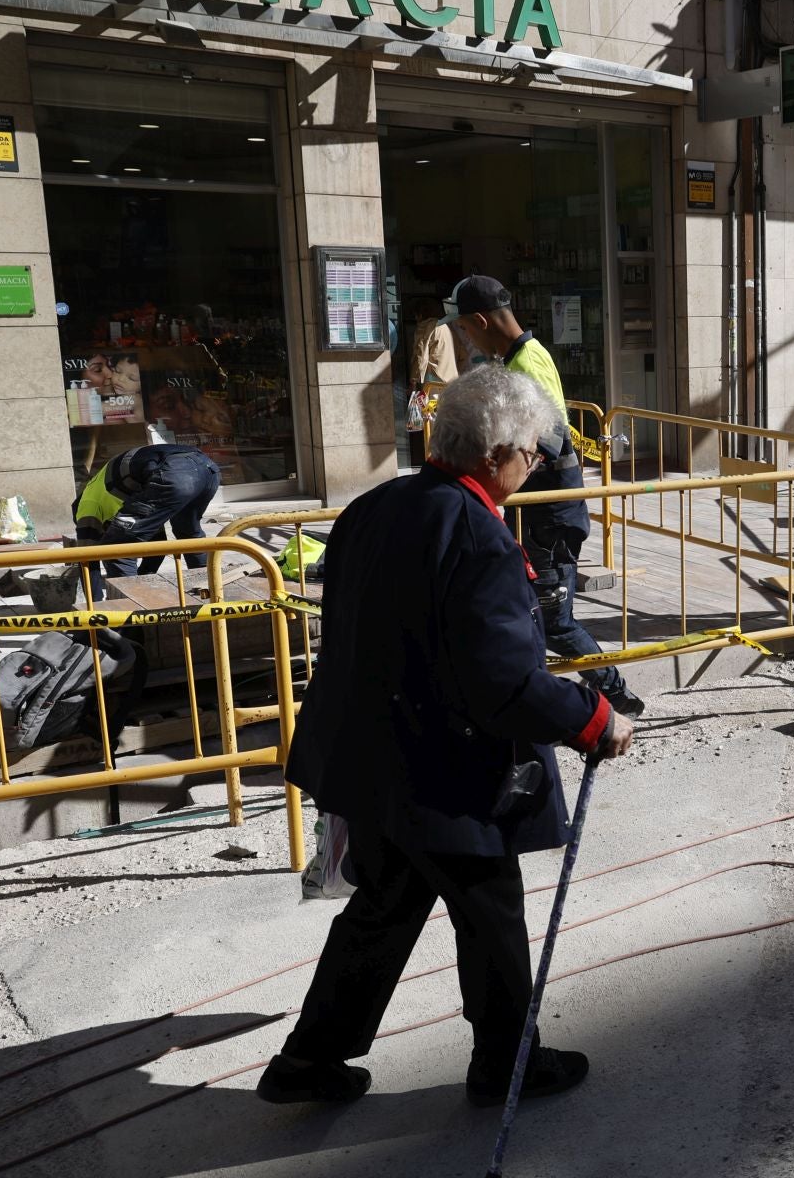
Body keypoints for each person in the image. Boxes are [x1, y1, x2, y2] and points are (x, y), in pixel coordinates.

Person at [257, 365, 636, 1109]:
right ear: (495, 453)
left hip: (369, 755)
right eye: (530, 449)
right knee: (489, 914)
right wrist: (595, 718)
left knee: (385, 907)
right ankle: (504, 1065)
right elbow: (503, 683)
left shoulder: (377, 505)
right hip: (440, 770)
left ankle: (307, 1061)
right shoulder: (479, 535)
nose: (534, 462)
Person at [453, 275, 644, 718]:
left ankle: (618, 697)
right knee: (525, 615)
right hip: (540, 517)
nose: (465, 338)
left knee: (554, 622)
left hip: (550, 518)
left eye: (465, 328)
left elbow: (550, 439)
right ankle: (526, 701)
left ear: (481, 320)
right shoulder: (524, 357)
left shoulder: (526, 365)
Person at [72, 443, 220, 595]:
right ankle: (210, 595)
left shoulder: (87, 507)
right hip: (208, 469)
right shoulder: (124, 498)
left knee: (117, 548)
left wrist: (95, 608)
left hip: (174, 473)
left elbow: (86, 560)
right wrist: (143, 577)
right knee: (188, 534)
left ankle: (129, 613)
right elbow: (157, 545)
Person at [411, 301, 460, 386]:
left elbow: (420, 356)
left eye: (415, 315)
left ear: (420, 315)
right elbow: (463, 354)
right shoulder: (446, 327)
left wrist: (414, 380)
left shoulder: (425, 327)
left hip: (434, 379)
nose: (416, 319)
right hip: (452, 379)